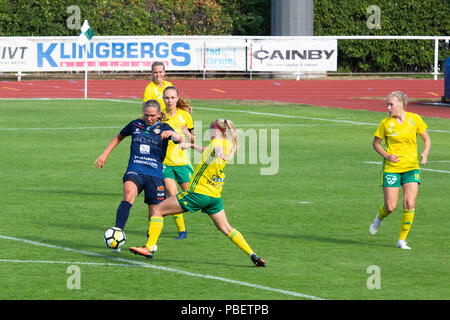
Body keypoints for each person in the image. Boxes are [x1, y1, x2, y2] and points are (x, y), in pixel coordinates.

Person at [130, 119, 266, 267]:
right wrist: (191, 145)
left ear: (217, 131)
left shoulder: (218, 144)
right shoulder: (227, 144)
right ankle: (253, 255)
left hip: (198, 194)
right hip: (214, 196)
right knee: (226, 228)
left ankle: (149, 247)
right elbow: (209, 150)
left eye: (211, 130)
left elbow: (217, 148)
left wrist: (220, 153)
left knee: (157, 210)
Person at [95, 100, 183, 252]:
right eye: (146, 115)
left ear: (159, 115)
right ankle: (117, 234)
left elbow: (179, 139)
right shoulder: (135, 125)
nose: (149, 118)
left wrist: (173, 134)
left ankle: (150, 244)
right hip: (135, 169)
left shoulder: (164, 128)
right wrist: (105, 153)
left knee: (154, 212)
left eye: (152, 116)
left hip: (155, 175)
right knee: (128, 196)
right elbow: (119, 136)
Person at [369, 91, 431, 250]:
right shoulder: (385, 123)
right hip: (392, 169)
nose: (388, 108)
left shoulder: (415, 119)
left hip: (411, 168)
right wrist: (387, 155)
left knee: (409, 203)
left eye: (391, 104)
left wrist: (424, 153)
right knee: (390, 206)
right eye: (387, 105)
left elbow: (426, 138)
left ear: (401, 105)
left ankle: (402, 240)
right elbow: (375, 143)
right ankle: (379, 218)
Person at [161, 86, 195, 239]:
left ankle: (216, 214)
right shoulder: (160, 114)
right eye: (167, 98)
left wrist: (187, 133)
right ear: (163, 98)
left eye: (172, 98)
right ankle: (182, 230)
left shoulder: (185, 116)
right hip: (165, 162)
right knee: (172, 195)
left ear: (177, 98)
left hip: (182, 162)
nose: (169, 101)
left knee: (193, 196)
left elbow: (194, 139)